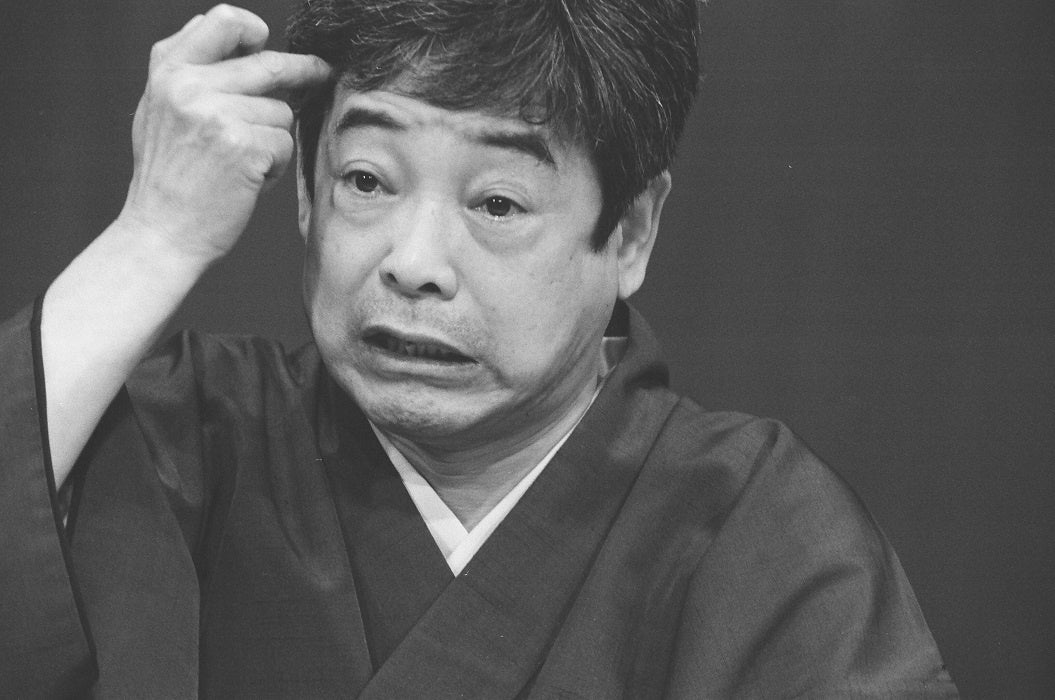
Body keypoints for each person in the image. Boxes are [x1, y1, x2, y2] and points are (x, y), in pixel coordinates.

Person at [0, 1, 958, 697]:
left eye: (496, 203)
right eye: (366, 181)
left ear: (630, 232)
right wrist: (154, 235)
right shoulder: (183, 437)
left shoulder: (754, 533)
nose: (413, 264)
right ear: (303, 191)